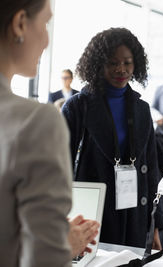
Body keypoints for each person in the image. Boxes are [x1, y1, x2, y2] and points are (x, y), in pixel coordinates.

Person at [0, 0, 99, 266]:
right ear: (20, 23)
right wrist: (60, 243)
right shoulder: (36, 121)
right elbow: (44, 260)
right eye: (45, 23)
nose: (46, 40)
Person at [62, 27, 163, 249]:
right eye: (113, 63)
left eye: (127, 63)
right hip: (92, 214)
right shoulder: (77, 107)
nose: (121, 69)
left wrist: (155, 224)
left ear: (135, 64)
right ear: (99, 64)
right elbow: (59, 168)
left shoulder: (142, 109)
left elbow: (152, 170)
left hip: (135, 212)